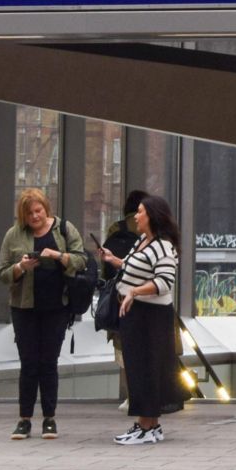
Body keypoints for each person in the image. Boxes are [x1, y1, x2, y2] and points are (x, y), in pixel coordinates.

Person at [0, 188, 90, 440]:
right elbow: (2, 272)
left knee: (49, 363)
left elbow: (82, 260)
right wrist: (20, 267)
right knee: (28, 364)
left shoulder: (64, 229)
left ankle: (50, 418)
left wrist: (58, 255)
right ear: (22, 216)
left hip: (56, 307)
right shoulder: (13, 235)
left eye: (38, 211)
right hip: (23, 308)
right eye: (29, 214)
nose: (35, 217)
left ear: (46, 208)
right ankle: (24, 419)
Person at [114, 195, 182, 446]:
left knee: (147, 370)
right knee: (139, 369)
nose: (135, 216)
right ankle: (150, 425)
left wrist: (134, 291)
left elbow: (164, 282)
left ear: (152, 216)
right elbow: (134, 267)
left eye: (140, 212)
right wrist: (115, 261)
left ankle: (144, 426)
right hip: (135, 314)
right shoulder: (143, 241)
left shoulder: (163, 246)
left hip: (150, 317)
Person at [96, 189, 149, 412]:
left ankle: (130, 395)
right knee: (146, 349)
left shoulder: (116, 229)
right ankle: (147, 396)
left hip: (120, 296)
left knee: (123, 348)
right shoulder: (153, 235)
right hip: (146, 299)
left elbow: (110, 269)